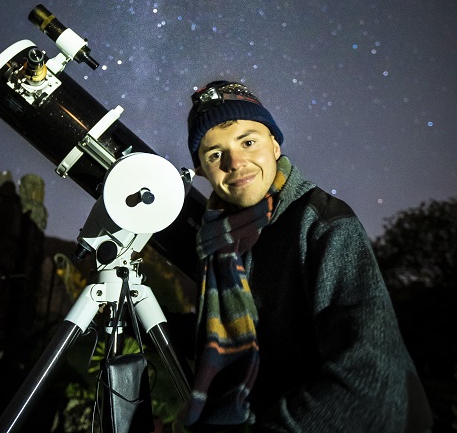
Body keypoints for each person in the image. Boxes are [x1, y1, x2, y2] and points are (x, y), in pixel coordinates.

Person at [175, 80, 433, 432]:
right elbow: (248, 333)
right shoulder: (220, 240)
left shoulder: (323, 224)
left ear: (275, 146)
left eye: (248, 141)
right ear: (203, 170)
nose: (235, 162)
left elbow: (371, 386)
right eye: (215, 154)